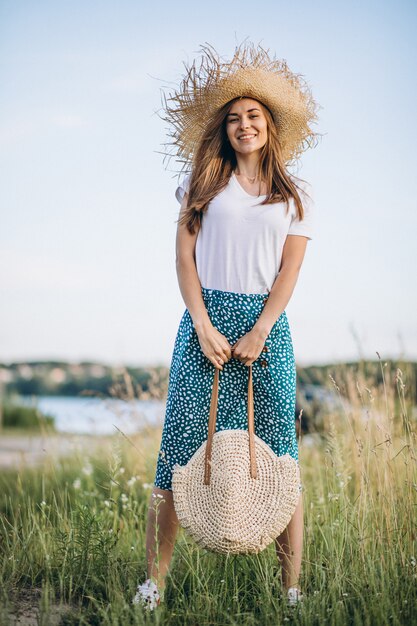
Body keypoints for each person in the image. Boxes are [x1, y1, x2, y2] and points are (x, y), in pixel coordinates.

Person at [133, 40, 320, 611]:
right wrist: (202, 322)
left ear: (270, 127)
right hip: (204, 324)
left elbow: (288, 272)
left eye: (254, 117)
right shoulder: (202, 187)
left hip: (267, 329)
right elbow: (183, 261)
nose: (245, 125)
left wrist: (262, 327)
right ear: (224, 129)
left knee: (280, 459)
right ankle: (153, 586)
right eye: (235, 118)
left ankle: (291, 591)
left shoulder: (295, 196)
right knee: (177, 456)